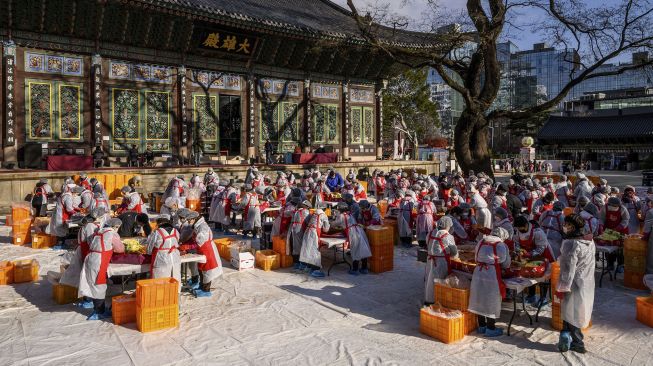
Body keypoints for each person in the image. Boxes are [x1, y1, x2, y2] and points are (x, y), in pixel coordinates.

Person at [555, 214, 595, 354]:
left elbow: (568, 268)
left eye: (566, 224)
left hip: (573, 283)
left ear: (572, 226)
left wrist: (562, 287)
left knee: (572, 312)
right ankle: (565, 335)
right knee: (572, 311)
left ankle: (578, 342)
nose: (564, 227)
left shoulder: (571, 244)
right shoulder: (589, 240)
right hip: (586, 281)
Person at [468, 227, 512, 337]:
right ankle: (490, 328)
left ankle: (482, 326)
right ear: (502, 236)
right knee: (491, 299)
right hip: (492, 274)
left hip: (478, 271)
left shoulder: (481, 241)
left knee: (479, 298)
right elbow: (506, 263)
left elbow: (476, 257)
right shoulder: (501, 245)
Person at [79, 218, 123, 320]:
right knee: (99, 286)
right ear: (115, 227)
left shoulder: (99, 231)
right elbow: (120, 249)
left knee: (92, 283)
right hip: (99, 260)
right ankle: (99, 311)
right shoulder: (113, 234)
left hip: (91, 257)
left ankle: (94, 306)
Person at [513, 215, 555, 304]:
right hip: (530, 257)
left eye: (521, 228)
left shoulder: (538, 232)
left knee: (543, 277)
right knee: (530, 274)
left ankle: (543, 298)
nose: (520, 230)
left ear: (526, 225)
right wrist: (518, 250)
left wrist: (529, 254)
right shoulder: (517, 231)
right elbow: (516, 242)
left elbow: (541, 248)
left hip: (543, 256)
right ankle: (531, 296)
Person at [181, 210, 222, 297]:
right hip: (201, 251)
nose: (189, 222)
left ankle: (206, 290)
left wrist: (187, 247)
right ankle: (201, 286)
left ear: (194, 219)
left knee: (207, 271)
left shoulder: (202, 227)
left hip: (207, 250)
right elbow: (194, 239)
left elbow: (199, 241)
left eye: (189, 220)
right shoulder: (197, 226)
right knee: (201, 269)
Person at [424, 217, 457, 304]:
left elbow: (428, 244)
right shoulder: (448, 236)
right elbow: (454, 252)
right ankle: (437, 302)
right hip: (441, 262)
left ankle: (428, 299)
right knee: (439, 282)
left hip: (430, 259)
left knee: (429, 280)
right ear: (448, 226)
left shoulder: (431, 233)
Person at [333, 203, 372, 276]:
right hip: (359, 230)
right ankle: (364, 268)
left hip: (353, 233)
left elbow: (335, 224)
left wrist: (330, 223)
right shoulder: (349, 214)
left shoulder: (341, 216)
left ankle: (355, 269)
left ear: (340, 209)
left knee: (355, 250)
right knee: (363, 248)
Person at [146, 217, 181, 288]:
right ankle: (175, 295)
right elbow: (178, 241)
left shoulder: (156, 232)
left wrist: (148, 252)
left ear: (158, 224)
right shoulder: (175, 231)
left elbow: (149, 248)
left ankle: (161, 296)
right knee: (175, 278)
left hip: (161, 259)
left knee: (160, 280)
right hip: (175, 258)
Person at [299, 203, 330, 278]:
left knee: (308, 249)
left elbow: (308, 221)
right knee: (315, 250)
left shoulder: (314, 213)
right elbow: (326, 229)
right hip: (314, 233)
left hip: (308, 230)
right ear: (325, 209)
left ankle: (308, 266)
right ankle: (315, 269)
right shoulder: (323, 215)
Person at [290, 200, 311, 268]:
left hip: (294, 228)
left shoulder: (297, 211)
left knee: (295, 245)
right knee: (300, 245)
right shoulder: (305, 211)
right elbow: (308, 221)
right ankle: (300, 263)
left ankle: (296, 262)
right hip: (299, 229)